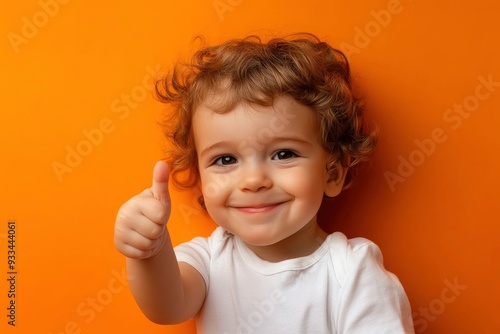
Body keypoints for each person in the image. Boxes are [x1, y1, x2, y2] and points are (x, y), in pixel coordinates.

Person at [114, 33, 414, 333]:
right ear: (201, 181)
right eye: (226, 160)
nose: (253, 181)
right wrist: (148, 250)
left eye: (283, 154)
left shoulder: (352, 273)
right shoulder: (209, 260)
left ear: (332, 174)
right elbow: (167, 306)